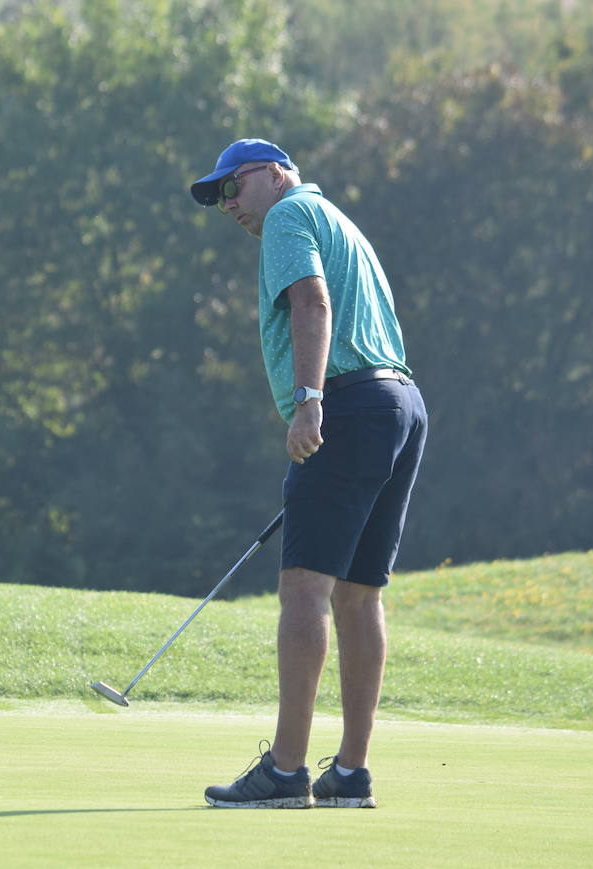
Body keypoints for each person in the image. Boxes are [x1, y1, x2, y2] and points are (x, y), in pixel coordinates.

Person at [189, 139, 427, 808]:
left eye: (234, 186)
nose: (230, 204)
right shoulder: (340, 221)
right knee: (359, 595)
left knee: (304, 589)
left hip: (349, 403)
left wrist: (309, 402)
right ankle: (350, 773)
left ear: (272, 172)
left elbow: (313, 306)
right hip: (400, 404)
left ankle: (286, 772)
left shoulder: (291, 216)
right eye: (220, 199)